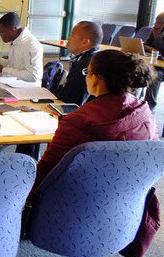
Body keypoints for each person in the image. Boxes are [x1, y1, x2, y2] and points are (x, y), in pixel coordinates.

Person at [33, 50, 158, 189]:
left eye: (87, 72)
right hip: (131, 203)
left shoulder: (76, 122)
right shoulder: (145, 113)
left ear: (96, 79)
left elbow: (45, 174)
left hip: (73, 203)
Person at [0, 12, 43, 85]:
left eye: (2, 32)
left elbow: (33, 76)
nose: (0, 34)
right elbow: (15, 64)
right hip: (13, 84)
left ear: (13, 29)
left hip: (27, 89)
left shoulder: (31, 45)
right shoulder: (15, 40)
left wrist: (3, 70)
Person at [56, 21, 102, 105]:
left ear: (85, 42)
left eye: (72, 35)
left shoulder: (87, 66)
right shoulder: (85, 58)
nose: (68, 39)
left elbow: (70, 100)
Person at [143, 12, 164, 109]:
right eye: (155, 21)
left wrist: (159, 37)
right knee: (134, 67)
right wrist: (152, 49)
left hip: (162, 68)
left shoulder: (158, 32)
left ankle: (149, 106)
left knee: (154, 76)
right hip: (154, 63)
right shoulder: (154, 30)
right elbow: (146, 44)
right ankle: (130, 100)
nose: (155, 24)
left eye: (159, 22)